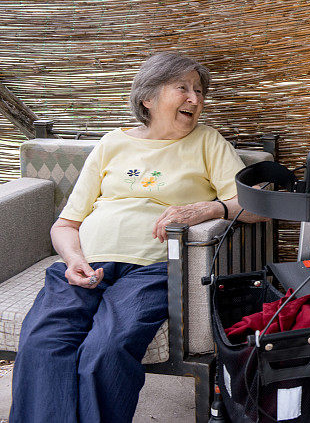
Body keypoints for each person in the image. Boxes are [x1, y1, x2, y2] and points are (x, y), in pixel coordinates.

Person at [11, 52, 263, 423]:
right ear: (147, 97)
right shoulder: (113, 142)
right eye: (183, 88)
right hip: (85, 266)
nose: (195, 99)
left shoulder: (208, 142)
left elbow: (255, 207)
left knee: (106, 350)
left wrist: (205, 209)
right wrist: (73, 260)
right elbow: (65, 224)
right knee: (42, 343)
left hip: (152, 270)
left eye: (199, 90)